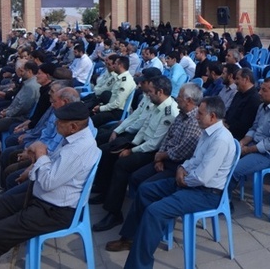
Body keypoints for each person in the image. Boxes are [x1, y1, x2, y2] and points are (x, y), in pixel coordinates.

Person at [0, 102, 101, 269]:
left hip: (54, 211)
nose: (56, 123)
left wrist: (41, 154)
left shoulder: (78, 149)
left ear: (73, 127)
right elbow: (54, 164)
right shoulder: (73, 138)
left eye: (60, 121)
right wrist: (38, 157)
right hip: (44, 197)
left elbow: (48, 182)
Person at [103, 96, 236, 269]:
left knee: (154, 211)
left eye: (200, 114)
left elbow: (202, 177)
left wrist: (183, 179)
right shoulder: (207, 132)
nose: (196, 116)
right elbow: (194, 160)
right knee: (145, 190)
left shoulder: (220, 140)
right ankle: (129, 238)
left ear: (212, 116)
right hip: (189, 182)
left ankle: (138, 265)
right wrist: (181, 168)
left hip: (205, 193)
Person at [90, 76, 179, 231]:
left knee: (122, 164)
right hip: (142, 144)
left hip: (153, 152)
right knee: (111, 151)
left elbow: (154, 143)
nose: (148, 94)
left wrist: (131, 150)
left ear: (160, 92)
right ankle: (106, 191)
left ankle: (114, 213)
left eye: (151, 91)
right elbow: (144, 128)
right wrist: (131, 145)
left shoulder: (169, 112)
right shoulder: (156, 104)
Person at [128, 83, 204, 195]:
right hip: (165, 158)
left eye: (179, 96)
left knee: (145, 188)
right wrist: (159, 158)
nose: (177, 98)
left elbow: (182, 151)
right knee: (135, 177)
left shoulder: (194, 121)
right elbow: (168, 136)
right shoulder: (181, 114)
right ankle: (136, 202)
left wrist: (162, 156)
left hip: (177, 165)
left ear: (188, 100)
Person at [228, 76, 270, 196]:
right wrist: (242, 143)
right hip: (254, 146)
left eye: (264, 90)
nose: (259, 92)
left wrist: (247, 150)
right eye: (260, 89)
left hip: (269, 155)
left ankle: (222, 199)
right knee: (224, 159)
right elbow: (254, 129)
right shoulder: (262, 106)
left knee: (234, 170)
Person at [224, 68, 261, 140]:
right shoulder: (238, 94)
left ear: (246, 79)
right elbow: (229, 113)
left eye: (237, 79)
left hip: (237, 137)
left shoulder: (254, 99)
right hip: (227, 130)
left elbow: (244, 126)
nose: (235, 82)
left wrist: (227, 127)